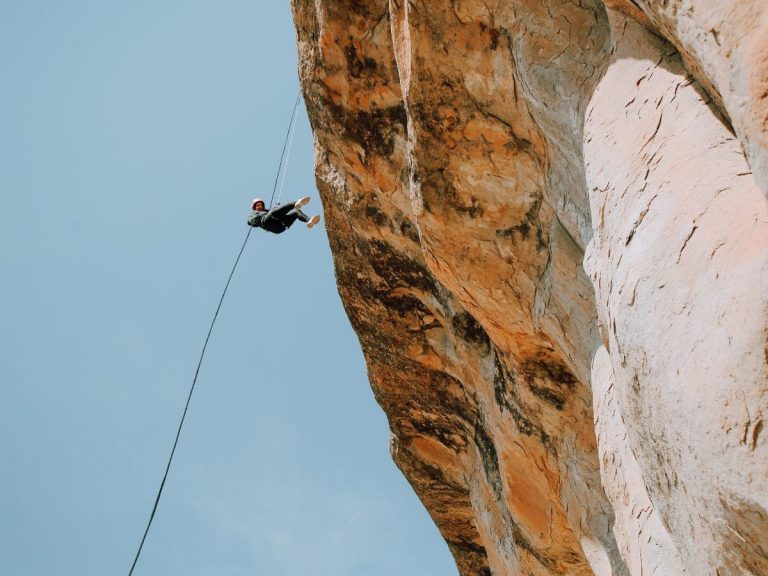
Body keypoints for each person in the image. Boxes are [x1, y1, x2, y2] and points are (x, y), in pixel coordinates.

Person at [247, 196, 321, 234]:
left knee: (296, 212)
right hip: (268, 224)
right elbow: (249, 222)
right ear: (255, 207)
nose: (260, 206)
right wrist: (256, 218)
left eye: (261, 205)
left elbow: (276, 213)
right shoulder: (254, 214)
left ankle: (309, 221)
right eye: (258, 205)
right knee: (273, 213)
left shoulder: (267, 211)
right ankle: (296, 203)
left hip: (281, 225)